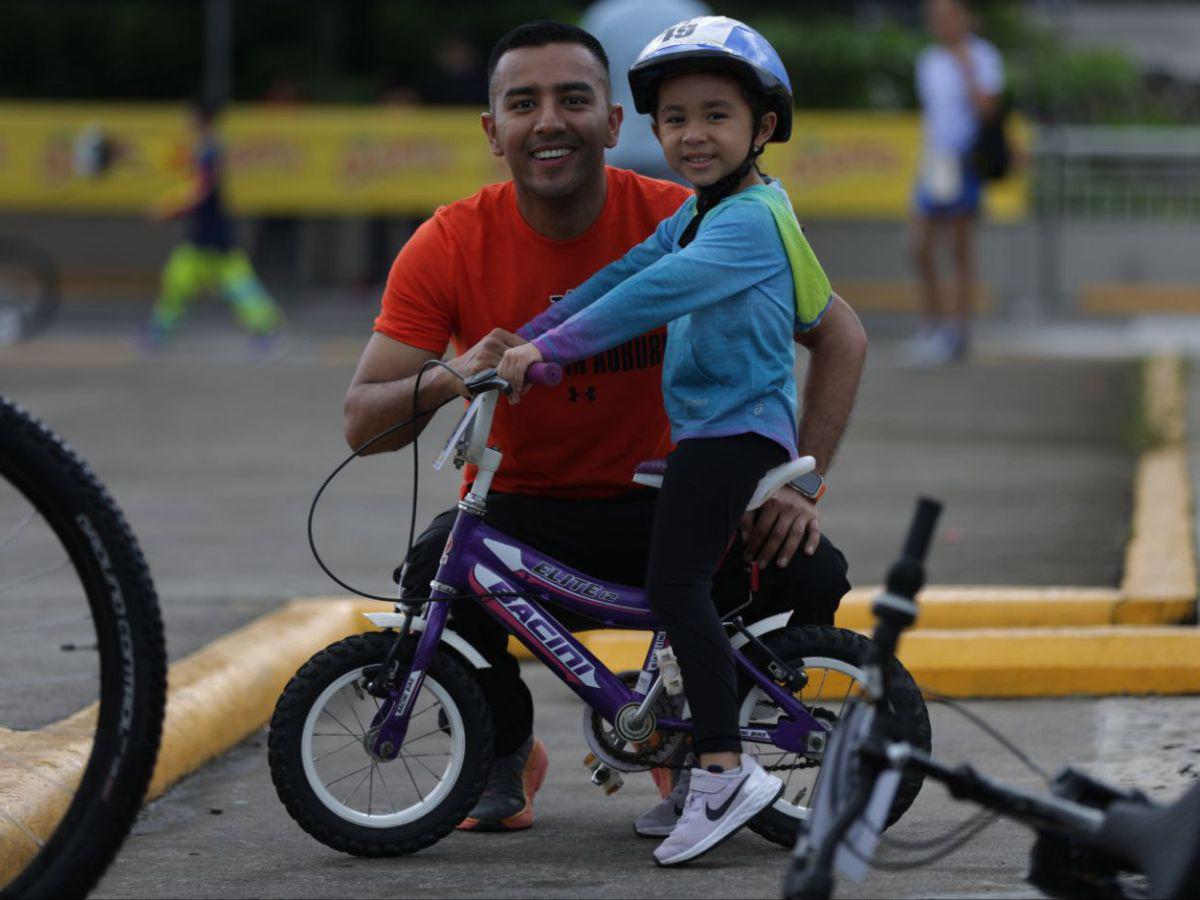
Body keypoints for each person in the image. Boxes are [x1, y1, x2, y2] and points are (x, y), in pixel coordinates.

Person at [344, 19, 865, 839]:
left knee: (800, 561)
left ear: (615, 123)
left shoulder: (701, 216)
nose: (549, 120)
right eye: (524, 102)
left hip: (665, 493)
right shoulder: (449, 242)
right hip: (526, 506)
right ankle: (502, 747)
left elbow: (839, 335)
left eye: (573, 99)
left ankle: (703, 747)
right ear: (493, 131)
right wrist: (460, 369)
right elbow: (363, 427)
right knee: (434, 571)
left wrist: (803, 483)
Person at [496, 15, 848, 867]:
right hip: (710, 434)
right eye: (677, 118)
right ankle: (695, 754)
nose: (693, 135)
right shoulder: (700, 213)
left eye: (716, 116)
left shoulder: (748, 223)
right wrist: (530, 332)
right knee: (689, 590)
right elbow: (617, 276)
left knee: (674, 582)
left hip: (734, 436)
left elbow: (646, 299)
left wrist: (547, 353)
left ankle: (719, 772)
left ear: (763, 129)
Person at [903, 0, 1004, 367]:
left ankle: (956, 332)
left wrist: (966, 67)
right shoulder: (928, 60)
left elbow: (987, 109)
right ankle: (932, 325)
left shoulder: (983, 56)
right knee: (920, 246)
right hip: (935, 162)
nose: (940, 22)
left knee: (959, 249)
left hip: (963, 162)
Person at [143, 99, 284, 352]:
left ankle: (266, 329)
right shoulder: (205, 149)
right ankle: (159, 332)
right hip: (206, 233)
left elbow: (201, 191)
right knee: (181, 279)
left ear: (200, 119)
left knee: (237, 285)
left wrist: (171, 209)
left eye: (190, 118)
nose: (186, 123)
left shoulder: (209, 151)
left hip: (213, 233)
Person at [581, 0, 710, 182]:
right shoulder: (692, 14)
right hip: (680, 147)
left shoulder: (603, 16)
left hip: (619, 148)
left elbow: (589, 85)